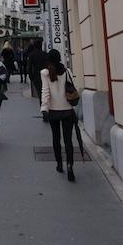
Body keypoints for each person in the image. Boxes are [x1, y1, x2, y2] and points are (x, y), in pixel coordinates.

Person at [41, 48, 78, 181]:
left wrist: (44, 108)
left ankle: (59, 164)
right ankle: (70, 166)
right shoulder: (67, 71)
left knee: (56, 139)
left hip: (54, 112)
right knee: (68, 140)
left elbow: (45, 92)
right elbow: (73, 87)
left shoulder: (45, 73)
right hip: (68, 110)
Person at [27, 39, 48, 106]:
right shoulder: (45, 54)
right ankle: (46, 107)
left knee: (40, 93)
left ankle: (43, 107)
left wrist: (31, 77)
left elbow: (29, 67)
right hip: (46, 75)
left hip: (37, 76)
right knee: (46, 93)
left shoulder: (31, 55)